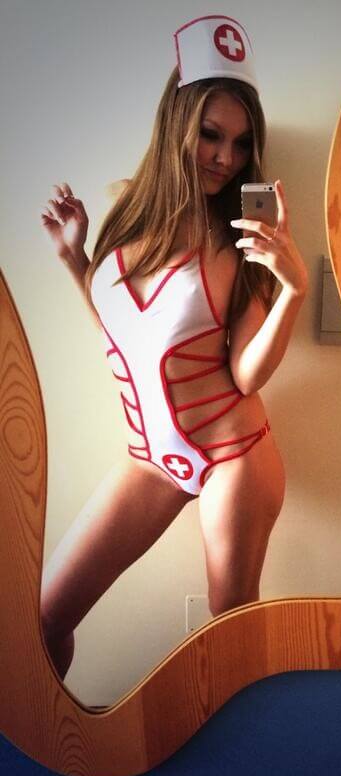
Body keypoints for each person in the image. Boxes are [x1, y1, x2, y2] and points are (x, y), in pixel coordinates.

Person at [38, 15, 308, 681]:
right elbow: (127, 338)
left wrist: (292, 291)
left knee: (229, 627)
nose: (224, 158)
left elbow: (244, 376)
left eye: (240, 144)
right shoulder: (127, 216)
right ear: (177, 123)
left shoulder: (236, 239)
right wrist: (76, 262)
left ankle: (247, 745)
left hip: (232, 458)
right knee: (42, 619)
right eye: (211, 135)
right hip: (152, 462)